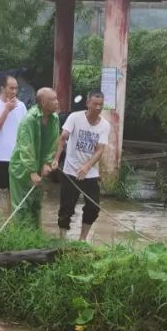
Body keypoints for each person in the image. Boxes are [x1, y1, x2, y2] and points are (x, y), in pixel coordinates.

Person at [54, 91, 110, 241]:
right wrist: (56, 159)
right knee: (67, 207)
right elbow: (63, 137)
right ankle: (62, 239)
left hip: (90, 173)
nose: (98, 107)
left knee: (93, 207)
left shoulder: (105, 125)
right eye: (95, 104)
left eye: (101, 105)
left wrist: (87, 166)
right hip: (70, 171)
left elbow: (100, 150)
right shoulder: (75, 117)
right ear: (87, 103)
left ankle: (82, 239)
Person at [8, 87, 61, 228]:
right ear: (43, 102)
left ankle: (35, 237)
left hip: (39, 167)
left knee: (36, 205)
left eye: (56, 98)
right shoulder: (29, 119)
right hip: (22, 167)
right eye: (53, 99)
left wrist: (47, 163)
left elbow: (53, 142)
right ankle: (19, 238)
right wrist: (31, 170)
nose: (57, 102)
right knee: (21, 206)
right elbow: (26, 146)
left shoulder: (54, 118)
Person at [0, 75, 26, 213]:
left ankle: (10, 224)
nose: (14, 91)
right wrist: (6, 109)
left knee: (12, 193)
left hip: (15, 156)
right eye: (11, 88)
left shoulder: (22, 106)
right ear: (2, 88)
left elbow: (25, 131)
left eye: (16, 88)